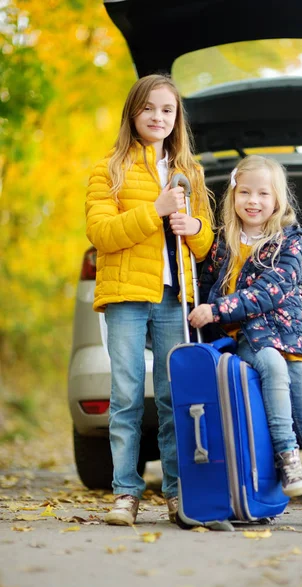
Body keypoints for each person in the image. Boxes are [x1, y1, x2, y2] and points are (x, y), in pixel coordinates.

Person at [188, 155, 302, 528]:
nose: (254, 201)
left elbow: (272, 289)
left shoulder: (289, 239)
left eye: (263, 193)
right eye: (245, 192)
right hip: (251, 338)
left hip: (290, 339)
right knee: (269, 362)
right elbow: (202, 282)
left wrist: (217, 310)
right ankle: (286, 456)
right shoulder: (223, 242)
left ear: (277, 199)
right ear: (233, 196)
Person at [85, 74, 214, 526]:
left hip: (173, 297)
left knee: (173, 396)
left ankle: (179, 493)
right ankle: (126, 492)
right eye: (149, 108)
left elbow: (206, 243)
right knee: (124, 395)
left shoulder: (190, 172)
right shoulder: (110, 169)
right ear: (133, 113)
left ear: (176, 118)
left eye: (167, 110)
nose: (158, 117)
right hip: (125, 294)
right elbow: (101, 233)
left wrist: (195, 230)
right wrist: (154, 210)